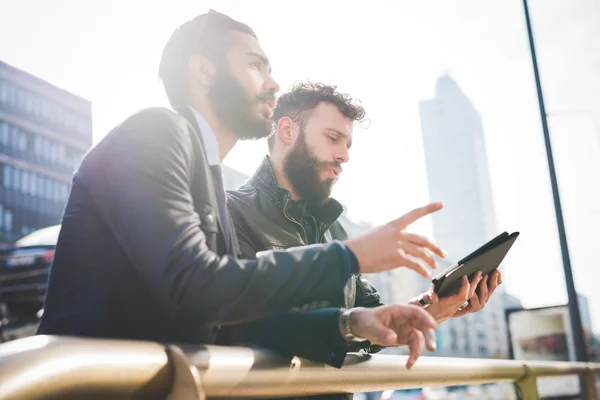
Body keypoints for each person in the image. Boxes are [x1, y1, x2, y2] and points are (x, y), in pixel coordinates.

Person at [36, 11, 442, 367]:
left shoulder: (207, 177)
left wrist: (352, 323)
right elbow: (193, 288)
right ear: (204, 70)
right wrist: (347, 256)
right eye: (255, 66)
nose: (273, 84)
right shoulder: (156, 131)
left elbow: (232, 325)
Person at [225, 82, 502, 359]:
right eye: (332, 138)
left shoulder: (335, 228)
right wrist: (350, 323)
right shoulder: (229, 212)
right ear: (287, 131)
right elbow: (240, 328)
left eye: (347, 145)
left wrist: (430, 311)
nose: (344, 156)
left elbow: (367, 324)